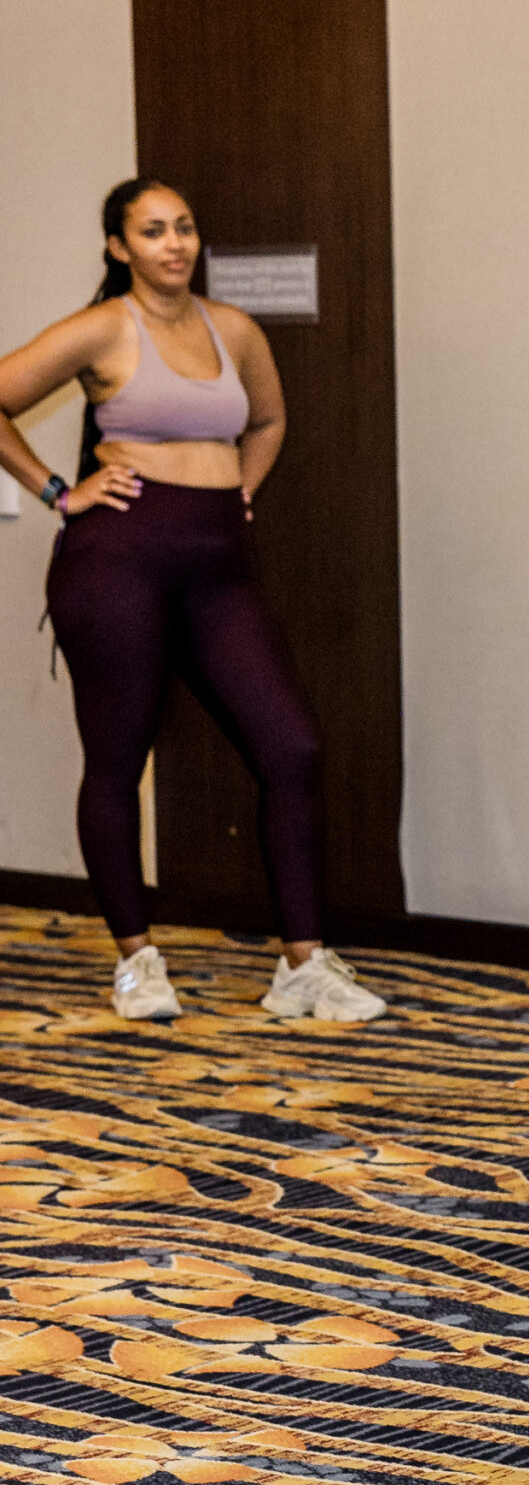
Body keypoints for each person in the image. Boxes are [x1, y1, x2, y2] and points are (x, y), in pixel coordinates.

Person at [0, 178, 386, 1026]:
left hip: (218, 569)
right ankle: (137, 960)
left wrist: (240, 487)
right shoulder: (103, 328)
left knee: (292, 748)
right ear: (119, 247)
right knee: (116, 761)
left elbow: (269, 421)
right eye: (152, 231)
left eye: (182, 227)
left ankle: (303, 966)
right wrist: (60, 491)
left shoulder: (233, 329)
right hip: (117, 565)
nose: (173, 243)